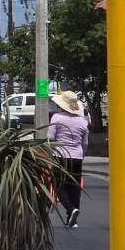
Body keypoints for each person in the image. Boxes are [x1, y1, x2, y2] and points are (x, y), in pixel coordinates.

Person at [48, 91, 88, 228]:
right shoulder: (83, 121)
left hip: (60, 155)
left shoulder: (56, 118)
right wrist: (82, 155)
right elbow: (85, 143)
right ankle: (73, 220)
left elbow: (51, 138)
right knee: (74, 187)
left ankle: (71, 210)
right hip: (77, 156)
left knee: (58, 185)